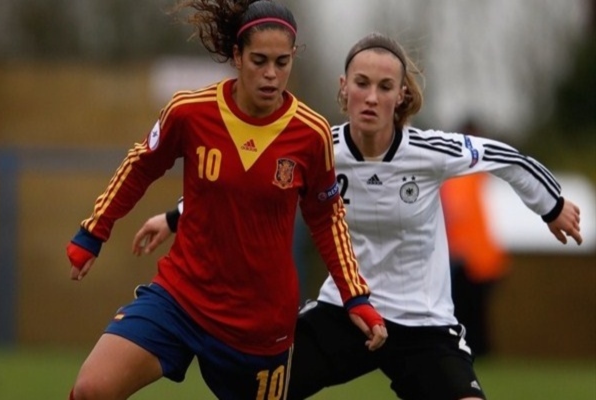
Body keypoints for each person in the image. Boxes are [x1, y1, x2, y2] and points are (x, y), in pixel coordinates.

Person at [134, 32, 583, 400]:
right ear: (343, 87)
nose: (371, 97)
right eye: (362, 83)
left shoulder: (428, 152)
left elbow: (506, 158)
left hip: (423, 323)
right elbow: (245, 184)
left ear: (401, 95)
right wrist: (175, 218)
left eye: (384, 87)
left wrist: (552, 206)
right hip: (344, 313)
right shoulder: (314, 147)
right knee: (257, 390)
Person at [65, 1, 388, 399]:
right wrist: (94, 230)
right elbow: (141, 166)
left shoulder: (311, 133)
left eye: (282, 62)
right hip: (181, 299)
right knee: (91, 389)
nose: (271, 74)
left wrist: (355, 296)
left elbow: (327, 218)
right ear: (236, 57)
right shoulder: (190, 112)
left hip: (259, 327)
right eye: (259, 60)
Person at [441, 120, 510, 357]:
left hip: (472, 258)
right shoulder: (466, 177)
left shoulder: (467, 177)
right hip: (469, 258)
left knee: (471, 312)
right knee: (471, 312)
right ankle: (476, 350)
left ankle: (475, 351)